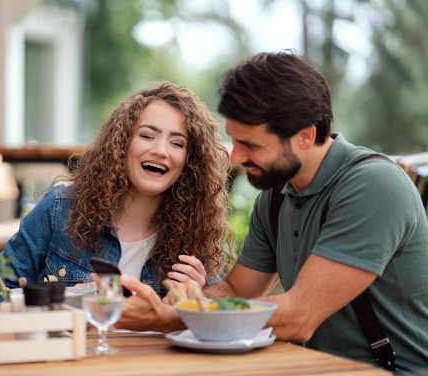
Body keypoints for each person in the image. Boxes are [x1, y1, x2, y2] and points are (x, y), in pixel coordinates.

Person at [116, 50, 428, 371]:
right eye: (235, 141)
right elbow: (237, 289)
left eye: (251, 145)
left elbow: (298, 316)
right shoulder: (278, 193)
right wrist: (195, 300)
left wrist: (175, 318)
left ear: (305, 136)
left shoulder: (373, 186)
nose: (235, 157)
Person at [2, 81, 235, 296]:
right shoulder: (60, 209)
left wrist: (197, 299)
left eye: (176, 143)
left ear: (190, 161)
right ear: (121, 143)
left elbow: (205, 324)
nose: (161, 150)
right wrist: (70, 298)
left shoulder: (194, 235)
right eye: (147, 135)